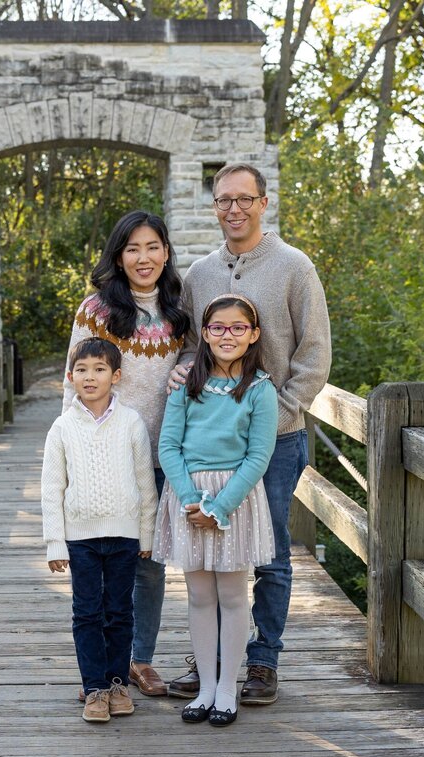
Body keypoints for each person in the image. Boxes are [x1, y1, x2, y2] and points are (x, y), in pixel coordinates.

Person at [168, 163, 332, 706]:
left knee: (270, 551)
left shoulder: (293, 267)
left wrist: (280, 412)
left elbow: (314, 354)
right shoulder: (199, 274)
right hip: (209, 446)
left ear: (264, 202)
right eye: (223, 200)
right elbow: (194, 348)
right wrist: (180, 373)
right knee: (211, 554)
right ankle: (214, 662)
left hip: (277, 439)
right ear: (213, 206)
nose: (233, 209)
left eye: (244, 199)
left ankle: (262, 661)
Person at [61, 210, 189, 697]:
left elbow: (202, 353)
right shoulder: (96, 310)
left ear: (166, 252)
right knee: (100, 567)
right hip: (105, 458)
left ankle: (140, 659)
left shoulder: (179, 309)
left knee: (149, 562)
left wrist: (190, 361)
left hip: (163, 455)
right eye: (132, 248)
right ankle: (102, 669)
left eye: (153, 247)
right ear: (118, 255)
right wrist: (74, 458)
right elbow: (75, 384)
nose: (144, 257)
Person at [154, 295, 278, 727]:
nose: (228, 335)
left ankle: (228, 687)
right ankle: (206, 686)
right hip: (188, 495)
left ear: (254, 334)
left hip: (236, 499)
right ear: (204, 334)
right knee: (199, 596)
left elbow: (259, 456)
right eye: (218, 328)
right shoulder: (186, 384)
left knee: (231, 593)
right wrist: (191, 499)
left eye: (238, 328)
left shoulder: (261, 390)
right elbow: (169, 445)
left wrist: (220, 506)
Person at [42, 337, 158, 723]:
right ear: (70, 376)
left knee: (120, 611)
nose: (89, 377)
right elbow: (51, 489)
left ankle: (116, 682)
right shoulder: (61, 427)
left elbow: (145, 483)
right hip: (80, 538)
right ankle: (94, 689)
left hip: (124, 536)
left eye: (99, 369)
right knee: (87, 612)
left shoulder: (131, 423)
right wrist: (55, 543)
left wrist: (147, 534)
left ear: (116, 375)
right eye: (81, 370)